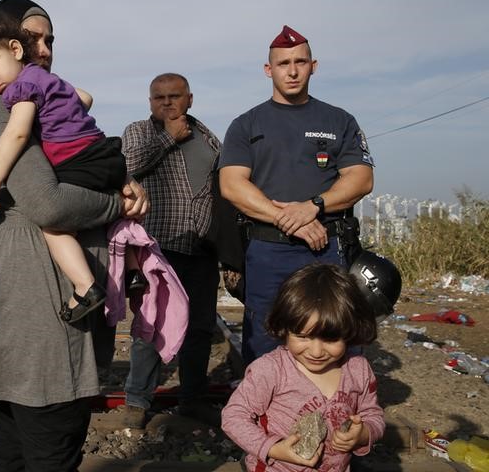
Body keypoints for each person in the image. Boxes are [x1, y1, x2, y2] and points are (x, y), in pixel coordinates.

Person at [0, 0, 148, 471]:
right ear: (4, 40)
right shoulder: (0, 103)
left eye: (48, 40)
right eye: (32, 38)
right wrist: (117, 205)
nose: (44, 49)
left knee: (17, 444)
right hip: (33, 295)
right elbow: (47, 203)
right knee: (51, 443)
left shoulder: (20, 97)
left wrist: (120, 178)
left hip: (16, 288)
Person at [0, 17, 137, 323]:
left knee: (53, 225)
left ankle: (85, 286)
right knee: (108, 210)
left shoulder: (22, 88)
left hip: (77, 160)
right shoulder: (46, 79)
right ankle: (133, 268)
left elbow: (17, 134)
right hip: (104, 153)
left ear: (15, 49)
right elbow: (86, 98)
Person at [219, 25, 374, 366]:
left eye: (300, 62)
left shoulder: (339, 120)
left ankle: (336, 415)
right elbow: (231, 184)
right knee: (265, 338)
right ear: (267, 69)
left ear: (313, 66)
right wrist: (288, 220)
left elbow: (361, 179)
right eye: (283, 63)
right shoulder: (246, 124)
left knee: (334, 335)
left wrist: (313, 206)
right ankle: (264, 418)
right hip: (268, 250)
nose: (292, 71)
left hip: (326, 248)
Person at [121, 73, 222, 427]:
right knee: (152, 325)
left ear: (189, 99)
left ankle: (192, 397)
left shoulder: (208, 137)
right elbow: (126, 166)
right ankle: (137, 401)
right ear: (149, 102)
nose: (166, 103)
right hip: (159, 248)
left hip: (202, 247)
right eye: (158, 97)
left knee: (200, 327)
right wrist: (168, 138)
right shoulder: (140, 131)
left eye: (174, 96)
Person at [221, 263, 385, 471]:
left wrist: (364, 433)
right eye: (302, 336)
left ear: (350, 331)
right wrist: (273, 448)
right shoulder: (271, 370)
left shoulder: (358, 370)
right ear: (284, 328)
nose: (316, 352)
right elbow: (233, 416)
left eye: (331, 338)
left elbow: (372, 413)